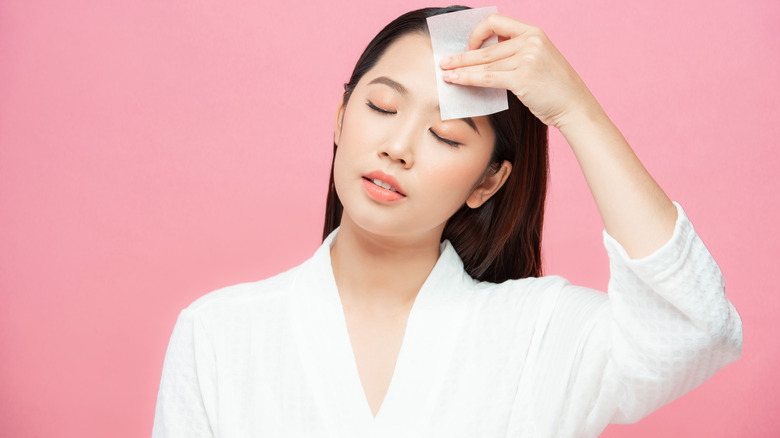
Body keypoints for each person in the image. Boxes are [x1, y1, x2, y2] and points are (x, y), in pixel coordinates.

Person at [152, 6, 742, 437]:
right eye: (381, 106)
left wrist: (575, 111)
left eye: (445, 135)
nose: (398, 147)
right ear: (339, 117)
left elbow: (692, 329)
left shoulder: (538, 334)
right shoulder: (218, 334)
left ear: (488, 181)